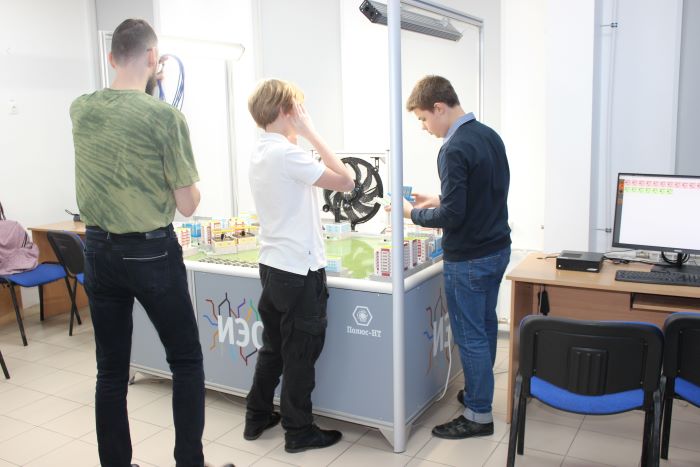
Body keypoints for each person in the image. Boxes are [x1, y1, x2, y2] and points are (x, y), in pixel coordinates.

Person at [70, 18, 233, 467]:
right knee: (185, 360)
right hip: (151, 253)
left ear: (110, 57)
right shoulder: (164, 117)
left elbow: (119, 128)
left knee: (110, 370)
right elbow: (187, 205)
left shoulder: (81, 109)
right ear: (152, 57)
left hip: (97, 250)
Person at [398, 75, 511, 439]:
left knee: (470, 335)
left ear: (439, 108)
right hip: (496, 249)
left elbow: (453, 217)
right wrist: (438, 198)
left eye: (423, 118)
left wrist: (411, 214)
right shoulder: (488, 135)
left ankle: (478, 414)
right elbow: (483, 193)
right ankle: (479, 392)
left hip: (469, 259)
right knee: (486, 326)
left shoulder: (452, 148)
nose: (423, 127)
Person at [244, 78, 354, 452]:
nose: (303, 114)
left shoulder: (262, 151)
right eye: (299, 108)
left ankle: (257, 415)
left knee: (273, 347)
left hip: (273, 267)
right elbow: (346, 181)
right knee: (301, 353)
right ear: (285, 111)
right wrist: (311, 132)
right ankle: (298, 430)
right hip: (299, 270)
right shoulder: (288, 155)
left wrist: (297, 133)